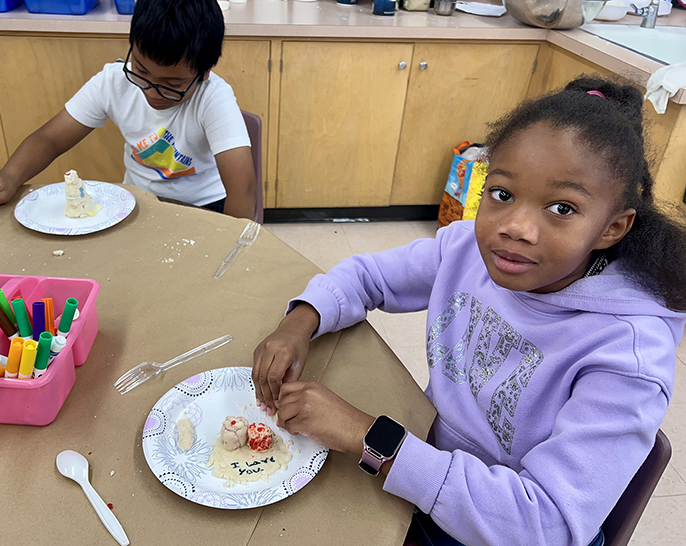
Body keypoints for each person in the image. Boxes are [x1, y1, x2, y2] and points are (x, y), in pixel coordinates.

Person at [251, 77, 686, 546]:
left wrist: (366, 436)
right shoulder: (467, 249)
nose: (516, 227)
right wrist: (302, 319)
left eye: (561, 207)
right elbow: (369, 277)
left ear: (612, 228)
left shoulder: (628, 356)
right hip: (422, 470)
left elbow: (548, 526)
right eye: (502, 194)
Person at [0, 0, 256, 220]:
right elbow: (50, 139)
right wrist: (10, 178)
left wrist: (228, 246)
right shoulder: (114, 80)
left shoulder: (214, 98)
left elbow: (242, 190)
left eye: (172, 84)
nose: (150, 91)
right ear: (132, 46)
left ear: (203, 73)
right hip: (137, 202)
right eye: (141, 71)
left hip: (205, 208)